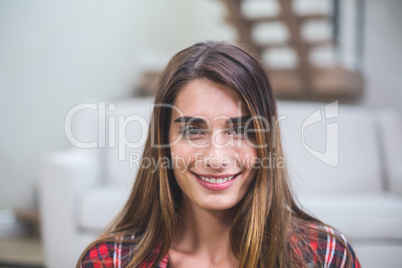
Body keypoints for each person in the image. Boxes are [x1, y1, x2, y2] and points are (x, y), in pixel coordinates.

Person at [77, 41, 361, 268]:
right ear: (163, 142)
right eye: (193, 131)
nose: (216, 158)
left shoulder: (325, 256)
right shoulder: (110, 262)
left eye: (240, 130)